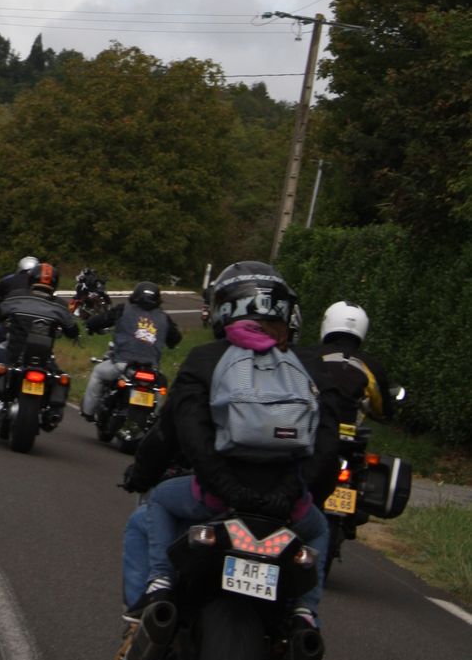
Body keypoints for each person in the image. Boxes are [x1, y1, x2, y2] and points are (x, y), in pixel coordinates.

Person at [125, 260, 339, 631]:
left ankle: (158, 588)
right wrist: (292, 494)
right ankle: (305, 612)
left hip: (214, 498)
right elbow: (327, 445)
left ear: (224, 309)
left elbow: (178, 435)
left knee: (152, 506)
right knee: (320, 530)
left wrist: (142, 475)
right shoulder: (310, 367)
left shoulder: (206, 359)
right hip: (288, 507)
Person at [0, 263, 79, 412]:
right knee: (59, 377)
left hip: (14, 355)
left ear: (30, 279)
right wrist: (73, 334)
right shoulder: (61, 306)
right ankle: (52, 413)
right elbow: (72, 331)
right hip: (44, 361)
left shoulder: (17, 296)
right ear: (55, 283)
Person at [81, 281, 181, 421]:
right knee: (160, 388)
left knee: (98, 372)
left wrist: (90, 325)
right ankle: (155, 419)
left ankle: (88, 412)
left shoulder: (123, 309)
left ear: (135, 296)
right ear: (157, 300)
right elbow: (175, 338)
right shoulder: (164, 318)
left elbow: (100, 320)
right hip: (151, 369)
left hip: (123, 364)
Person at [301, 302, 395, 428]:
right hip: (349, 432)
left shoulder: (307, 355)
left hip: (310, 426)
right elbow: (383, 411)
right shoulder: (372, 366)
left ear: (327, 321)